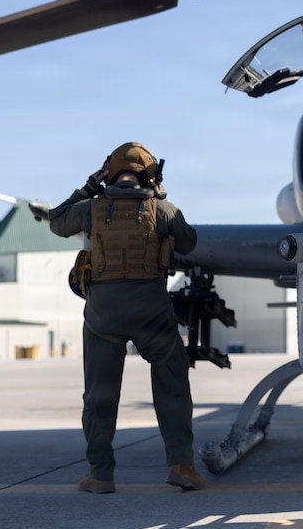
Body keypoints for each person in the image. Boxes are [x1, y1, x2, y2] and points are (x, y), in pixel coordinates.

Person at [46, 142, 203, 494]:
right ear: (150, 174)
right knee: (173, 386)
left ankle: (101, 474)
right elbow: (189, 242)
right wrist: (162, 195)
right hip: (152, 311)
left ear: (109, 174)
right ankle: (182, 465)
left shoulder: (90, 208)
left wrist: (87, 188)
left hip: (104, 314)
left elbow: (56, 222)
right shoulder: (161, 209)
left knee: (99, 395)